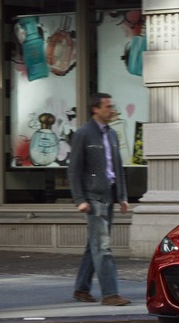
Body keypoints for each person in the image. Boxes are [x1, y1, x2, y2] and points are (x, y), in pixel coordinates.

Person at [68, 93, 131, 306]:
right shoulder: (84, 134)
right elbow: (74, 170)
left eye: (111, 106)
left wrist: (122, 196)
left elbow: (118, 167)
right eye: (107, 106)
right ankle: (110, 294)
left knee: (94, 245)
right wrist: (80, 200)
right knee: (102, 246)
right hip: (93, 199)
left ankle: (81, 289)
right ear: (95, 109)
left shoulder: (112, 134)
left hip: (110, 196)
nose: (111, 109)